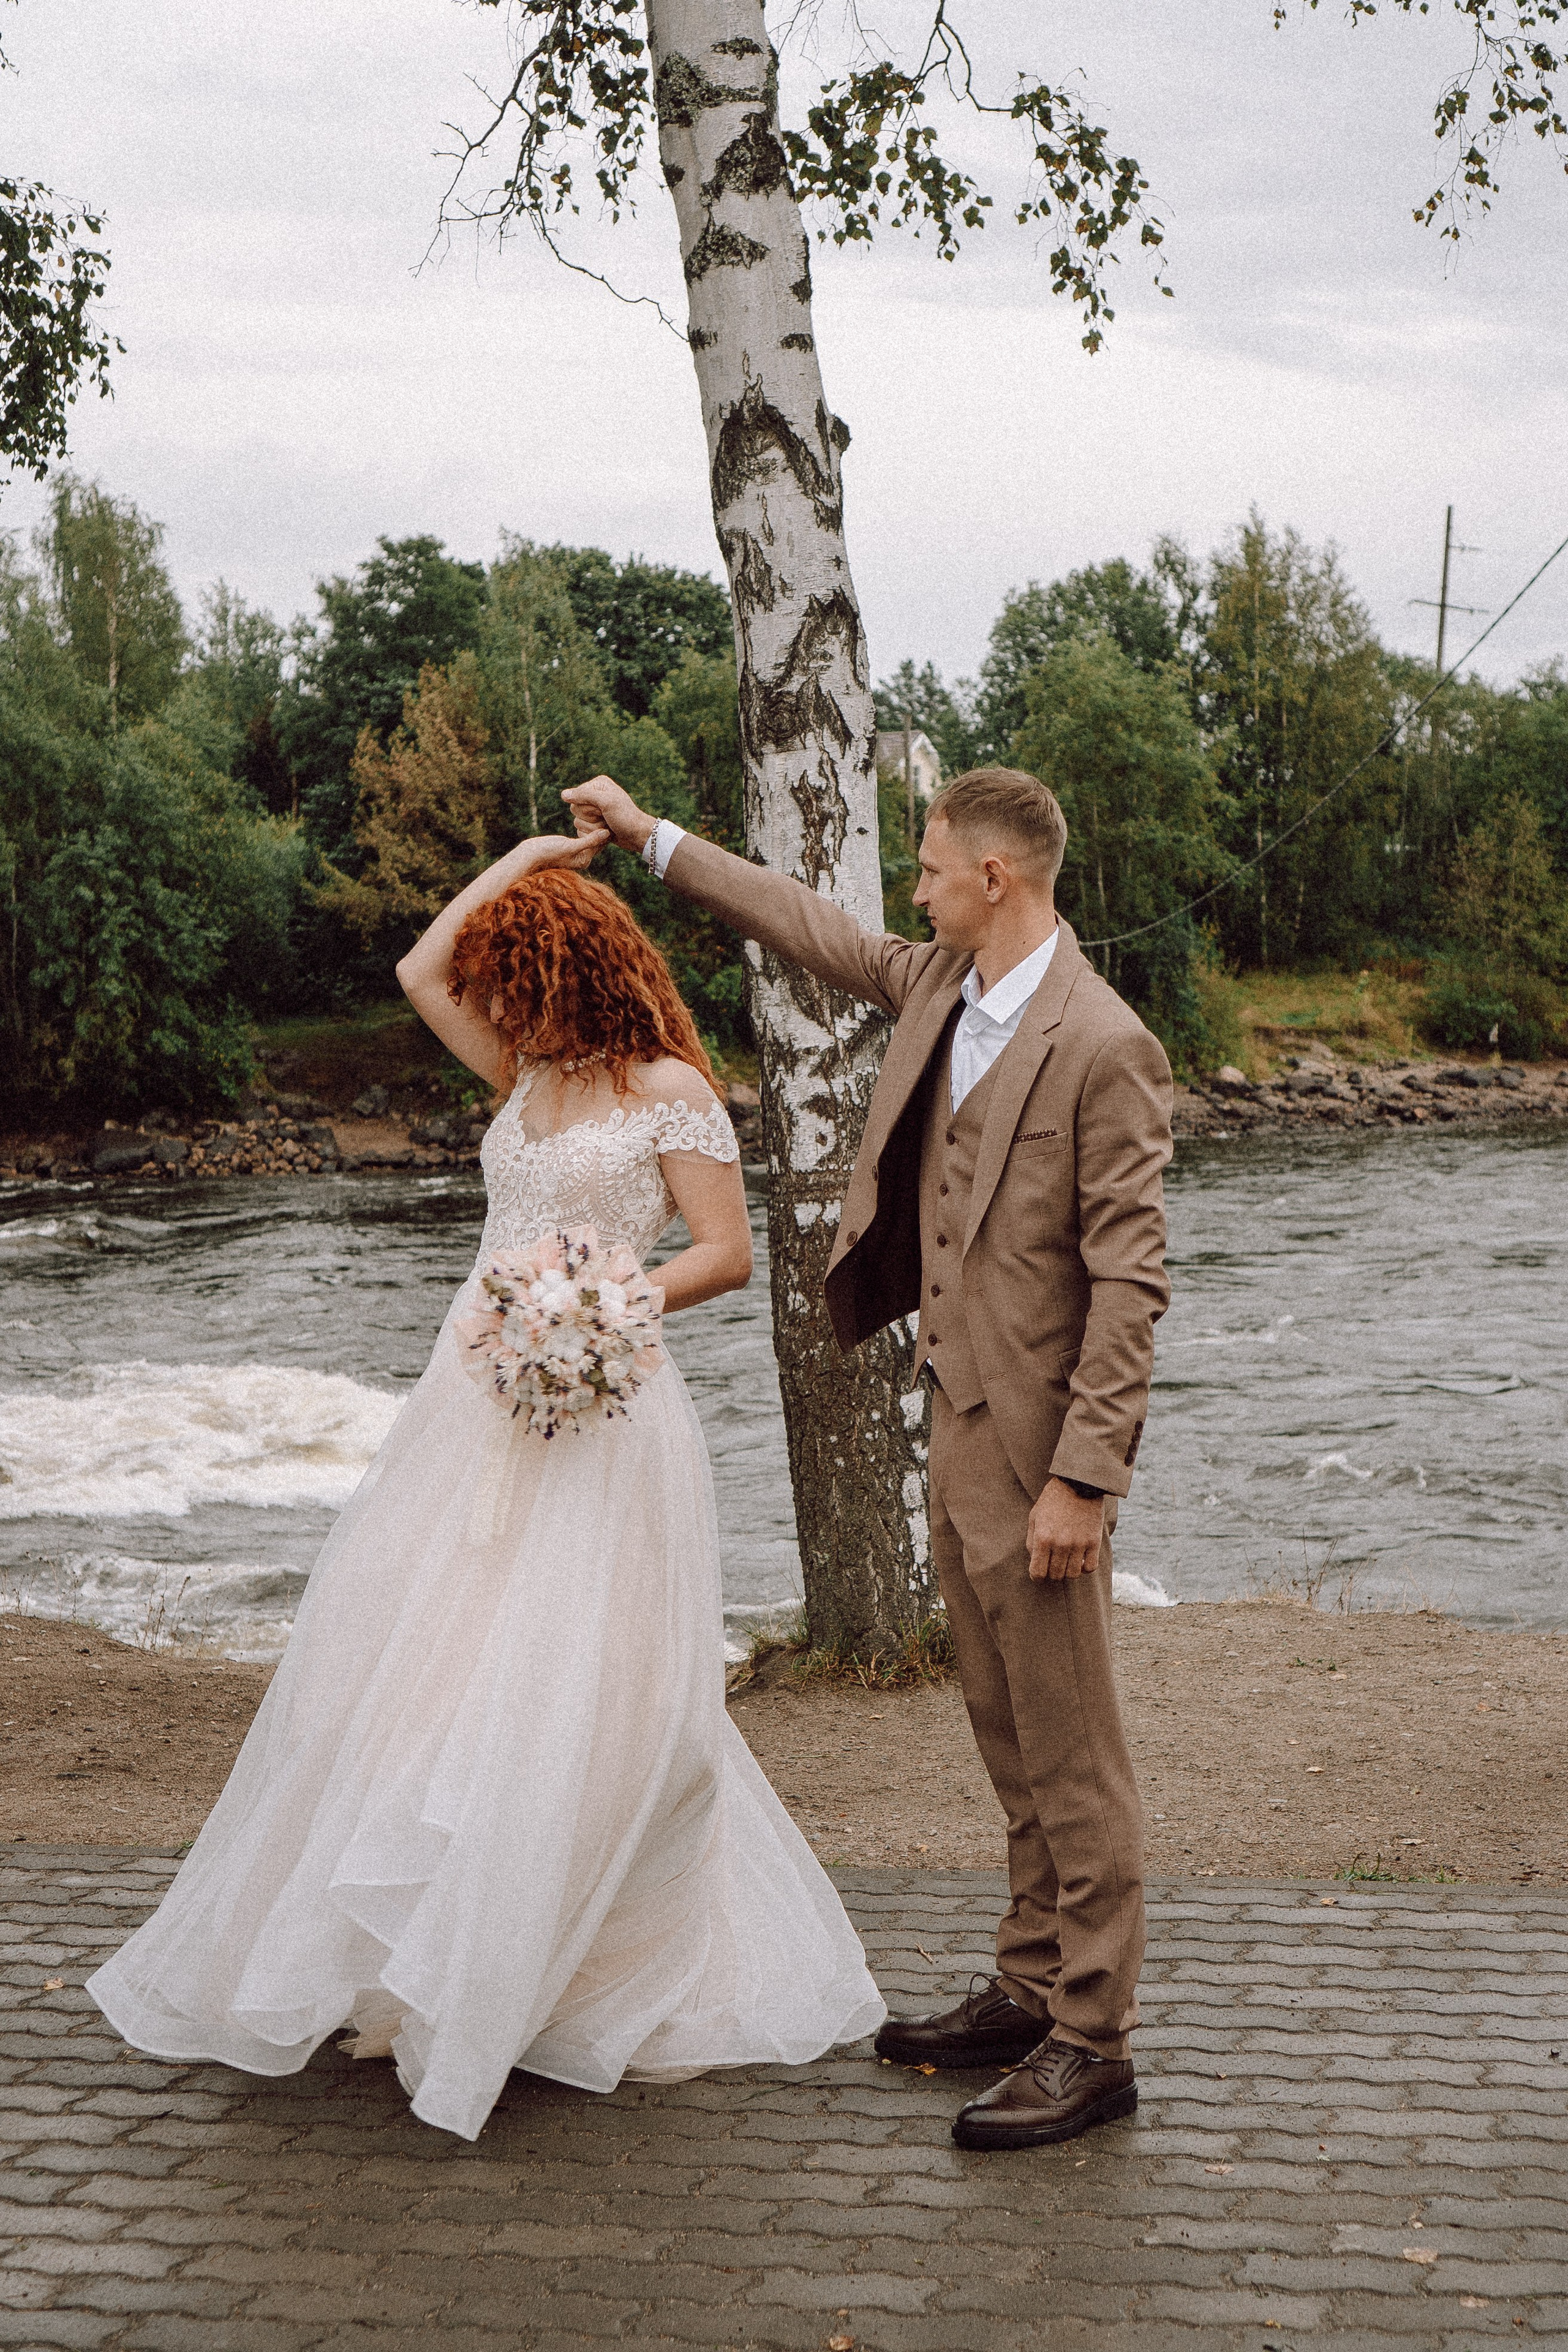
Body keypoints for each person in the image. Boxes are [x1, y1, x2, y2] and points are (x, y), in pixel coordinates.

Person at [88, 827, 885, 2140]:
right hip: (470, 1404)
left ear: (571, 972)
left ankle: (555, 1962)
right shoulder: (521, 1074)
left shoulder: (668, 1086)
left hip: (600, 1407)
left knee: (584, 1681)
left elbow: (728, 1253)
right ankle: (437, 1948)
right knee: (433, 1663)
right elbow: (417, 967)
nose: (496, 1004)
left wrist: (604, 1297)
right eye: (495, 985)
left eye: (516, 979)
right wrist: (523, 857)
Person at [564, 766, 1172, 2152]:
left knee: (1074, 1752)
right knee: (1007, 1733)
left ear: (996, 879)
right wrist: (649, 833)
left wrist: (1085, 1477)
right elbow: (800, 924)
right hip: (953, 1418)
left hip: (1037, 1455)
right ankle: (1027, 1989)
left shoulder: (1102, 1043)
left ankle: (1093, 2037)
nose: (912, 885)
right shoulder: (937, 988)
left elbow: (1129, 1284)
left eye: (930, 863)